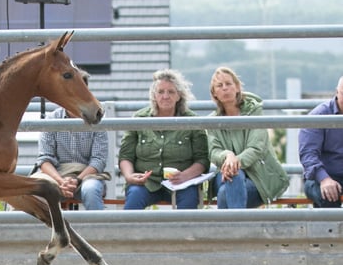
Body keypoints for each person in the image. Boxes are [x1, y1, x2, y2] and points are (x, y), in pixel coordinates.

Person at [118, 69, 209, 209]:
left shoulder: (192, 121)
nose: (165, 96)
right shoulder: (138, 119)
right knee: (134, 199)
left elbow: (202, 160)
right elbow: (125, 156)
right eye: (160, 92)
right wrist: (130, 176)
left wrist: (185, 175)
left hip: (182, 183)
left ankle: (184, 232)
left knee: (189, 202)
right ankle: (129, 232)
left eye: (171, 92)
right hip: (146, 183)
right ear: (154, 95)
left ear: (179, 96)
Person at [207, 66, 289, 208]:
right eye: (219, 86)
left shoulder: (254, 112)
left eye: (228, 84)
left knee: (224, 193)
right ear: (214, 93)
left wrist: (234, 162)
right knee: (235, 176)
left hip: (259, 179)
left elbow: (256, 148)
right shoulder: (213, 120)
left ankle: (229, 230)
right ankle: (240, 229)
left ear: (237, 87)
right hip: (224, 175)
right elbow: (214, 152)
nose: (225, 88)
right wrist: (228, 156)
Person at [30, 104, 110, 210]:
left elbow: (98, 160)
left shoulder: (97, 119)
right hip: (56, 174)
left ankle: (99, 226)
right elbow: (45, 159)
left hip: (87, 176)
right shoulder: (51, 118)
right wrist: (61, 181)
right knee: (33, 190)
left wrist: (77, 180)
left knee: (91, 190)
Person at [298, 76, 343, 208]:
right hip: (322, 176)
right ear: (337, 92)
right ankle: (330, 229)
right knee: (328, 194)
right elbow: (308, 154)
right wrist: (324, 179)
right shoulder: (319, 116)